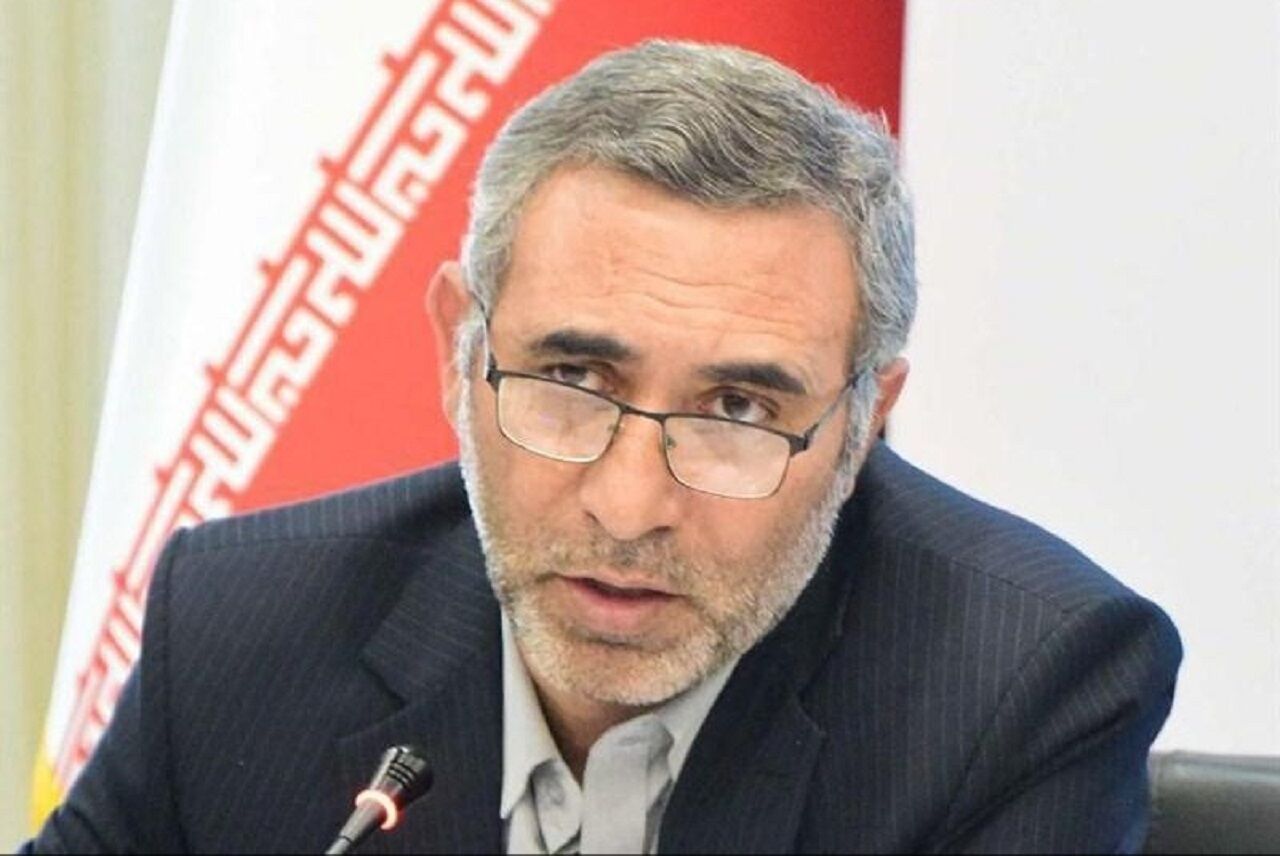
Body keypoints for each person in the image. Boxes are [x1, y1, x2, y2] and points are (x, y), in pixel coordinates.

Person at [23, 40, 1181, 854]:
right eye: (573, 382)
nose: (626, 508)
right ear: (456, 351)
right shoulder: (238, 626)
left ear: (861, 424)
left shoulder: (1021, 684)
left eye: (737, 409)